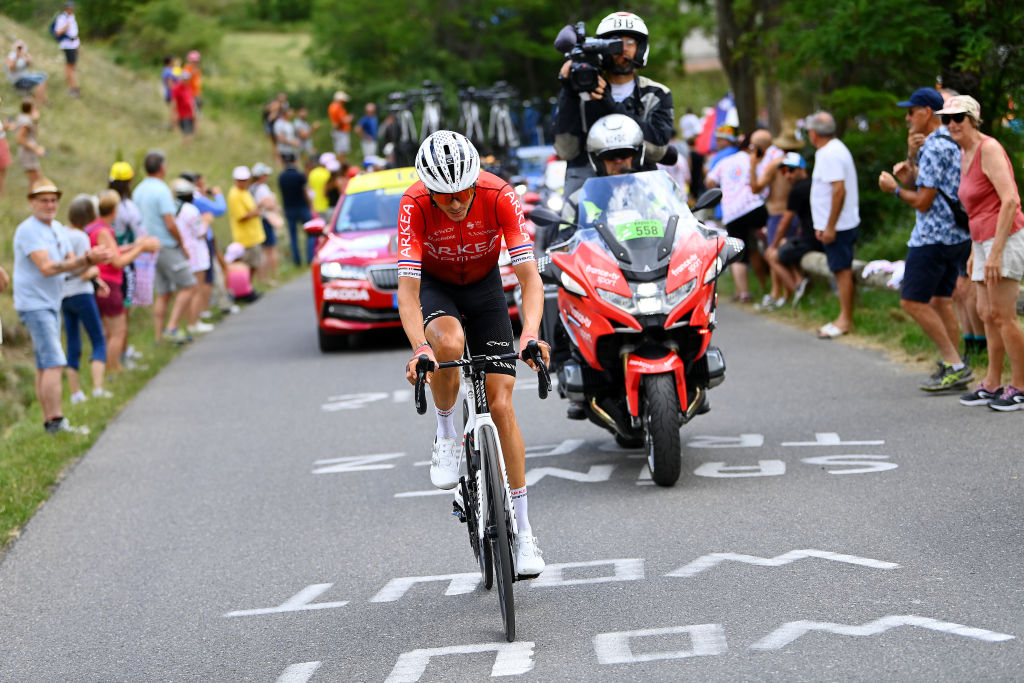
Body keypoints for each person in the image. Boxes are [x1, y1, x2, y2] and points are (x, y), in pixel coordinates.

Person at [397, 131, 549, 577]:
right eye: (445, 197)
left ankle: (523, 533)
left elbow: (529, 279)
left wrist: (531, 334)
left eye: (463, 192)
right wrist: (419, 348)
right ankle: (447, 434)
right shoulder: (414, 203)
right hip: (437, 286)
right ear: (429, 191)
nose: (457, 203)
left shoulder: (499, 194)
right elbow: (407, 294)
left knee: (502, 406)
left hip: (485, 291)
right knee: (447, 344)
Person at [877, 87, 972, 391]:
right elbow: (926, 185)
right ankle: (954, 365)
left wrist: (893, 188)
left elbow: (923, 201)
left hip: (932, 237)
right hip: (956, 236)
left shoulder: (934, 147)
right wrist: (910, 162)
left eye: (911, 111)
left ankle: (955, 364)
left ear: (927, 112)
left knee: (911, 301)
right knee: (941, 301)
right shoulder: (948, 142)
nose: (907, 118)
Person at [936, 96, 1024, 410]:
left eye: (958, 117)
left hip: (1005, 237)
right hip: (982, 240)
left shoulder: (989, 148)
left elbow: (1010, 201)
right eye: (946, 119)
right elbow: (976, 209)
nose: (952, 124)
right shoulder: (964, 153)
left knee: (1003, 315)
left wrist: (996, 253)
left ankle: (1021, 386)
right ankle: (992, 383)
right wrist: (976, 251)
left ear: (973, 119)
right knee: (986, 314)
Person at [13, 177, 111, 434]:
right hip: (35, 304)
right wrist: (88, 258)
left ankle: (50, 422)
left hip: (51, 301)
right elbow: (46, 267)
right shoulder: (29, 230)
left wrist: (95, 274)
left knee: (45, 363)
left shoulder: (57, 229)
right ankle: (55, 422)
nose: (49, 205)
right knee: (55, 361)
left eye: (53, 200)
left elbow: (73, 262)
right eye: (43, 200)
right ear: (32, 202)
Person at [553, 11, 673, 198]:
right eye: (615, 43)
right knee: (559, 226)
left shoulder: (656, 93)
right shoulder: (580, 89)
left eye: (630, 43)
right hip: (588, 193)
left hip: (642, 190)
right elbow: (565, 150)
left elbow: (657, 150)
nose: (623, 48)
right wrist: (568, 91)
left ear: (641, 48)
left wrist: (609, 104)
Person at [85, 190, 160, 373]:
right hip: (109, 283)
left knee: (108, 330)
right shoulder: (103, 230)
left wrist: (134, 246)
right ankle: (113, 368)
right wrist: (140, 248)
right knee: (118, 331)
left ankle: (110, 366)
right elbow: (117, 262)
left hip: (99, 283)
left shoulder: (95, 227)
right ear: (114, 210)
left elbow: (113, 251)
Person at [132, 150, 197, 343]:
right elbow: (169, 222)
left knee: (163, 292)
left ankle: (159, 337)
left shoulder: (139, 190)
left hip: (148, 248)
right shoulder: (161, 190)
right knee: (188, 284)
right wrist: (181, 243)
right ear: (162, 167)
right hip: (165, 245)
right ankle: (172, 328)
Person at [807, 111, 860, 338]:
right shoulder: (834, 149)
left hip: (838, 226)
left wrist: (829, 226)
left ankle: (845, 319)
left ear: (813, 133)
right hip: (839, 223)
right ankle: (844, 316)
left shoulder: (829, 153)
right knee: (841, 270)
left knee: (842, 270)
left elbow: (839, 190)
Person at [705, 131, 769, 305]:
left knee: (738, 253)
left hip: (732, 211)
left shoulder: (725, 162)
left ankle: (743, 293)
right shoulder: (754, 159)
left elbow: (709, 181)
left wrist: (723, 189)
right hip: (753, 206)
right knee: (758, 244)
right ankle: (766, 286)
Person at [61, 195, 111, 404]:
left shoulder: (61, 234)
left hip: (64, 295)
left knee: (73, 342)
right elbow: (82, 270)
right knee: (98, 338)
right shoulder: (80, 237)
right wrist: (94, 272)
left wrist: (96, 279)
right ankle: (98, 388)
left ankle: (75, 393)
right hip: (81, 292)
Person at [764, 152, 820, 306]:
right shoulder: (814, 183)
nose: (787, 175)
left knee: (771, 256)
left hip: (811, 240)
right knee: (784, 245)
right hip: (820, 237)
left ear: (802, 169)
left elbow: (785, 223)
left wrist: (772, 246)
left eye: (791, 170)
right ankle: (800, 283)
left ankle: (798, 289)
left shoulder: (797, 190)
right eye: (783, 171)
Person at [747, 129, 790, 309]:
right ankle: (785, 293)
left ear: (759, 147)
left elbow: (756, 187)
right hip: (788, 212)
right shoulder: (785, 159)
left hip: (777, 214)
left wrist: (752, 165)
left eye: (752, 146)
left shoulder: (771, 163)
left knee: (773, 254)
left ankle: (777, 293)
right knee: (781, 253)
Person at [170, 178, 214, 335]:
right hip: (196, 252)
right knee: (196, 289)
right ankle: (193, 322)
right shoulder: (191, 210)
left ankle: (190, 322)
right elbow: (200, 232)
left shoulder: (173, 209)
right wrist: (207, 221)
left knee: (188, 288)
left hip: (182, 252)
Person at [227, 165, 266, 284]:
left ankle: (248, 287)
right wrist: (257, 210)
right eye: (240, 180)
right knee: (249, 265)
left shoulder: (244, 192)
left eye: (245, 180)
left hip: (253, 234)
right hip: (246, 237)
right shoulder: (235, 195)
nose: (243, 182)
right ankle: (245, 288)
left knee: (254, 264)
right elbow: (241, 217)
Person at [278, 152, 313, 265]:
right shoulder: (299, 175)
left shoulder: (281, 177)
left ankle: (297, 261)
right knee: (310, 233)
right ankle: (310, 258)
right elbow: (305, 192)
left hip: (289, 209)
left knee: (293, 237)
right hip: (302, 207)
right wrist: (311, 205)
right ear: (295, 162)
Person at [249, 162, 282, 283]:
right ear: (261, 176)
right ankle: (271, 275)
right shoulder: (262, 188)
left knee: (264, 249)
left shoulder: (252, 188)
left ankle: (263, 277)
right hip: (265, 220)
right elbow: (269, 204)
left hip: (259, 220)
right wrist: (274, 203)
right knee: (269, 249)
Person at [6, 40, 48, 104]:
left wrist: (26, 55)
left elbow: (31, 64)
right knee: (40, 80)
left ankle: (43, 98)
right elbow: (12, 69)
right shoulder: (11, 56)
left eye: (21, 47)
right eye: (18, 47)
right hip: (17, 79)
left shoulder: (24, 55)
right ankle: (39, 101)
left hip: (25, 76)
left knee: (44, 75)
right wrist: (17, 57)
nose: (20, 49)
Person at [53, 2, 80, 97]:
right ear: (66, 9)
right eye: (71, 8)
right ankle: (71, 87)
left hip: (74, 44)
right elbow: (57, 32)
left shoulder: (72, 17)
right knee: (70, 67)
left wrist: (78, 46)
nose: (72, 10)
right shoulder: (62, 18)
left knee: (72, 66)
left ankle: (74, 86)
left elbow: (74, 33)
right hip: (67, 45)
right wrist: (66, 26)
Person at [15, 98, 44, 187]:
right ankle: (33, 199)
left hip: (28, 152)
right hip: (27, 152)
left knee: (37, 179)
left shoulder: (23, 117)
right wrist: (36, 149)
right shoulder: (26, 122)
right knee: (35, 181)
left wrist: (35, 120)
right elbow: (20, 138)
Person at [170, 71, 196, 145]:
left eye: (187, 79)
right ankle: (186, 147)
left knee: (189, 132)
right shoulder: (177, 88)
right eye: (184, 79)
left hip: (189, 113)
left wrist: (193, 111)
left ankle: (187, 146)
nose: (186, 81)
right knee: (186, 133)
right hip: (182, 114)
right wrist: (174, 115)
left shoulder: (188, 87)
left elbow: (191, 101)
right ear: (181, 79)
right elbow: (173, 103)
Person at [328, 90, 352, 161]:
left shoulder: (332, 106)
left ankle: (340, 165)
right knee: (341, 151)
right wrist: (348, 119)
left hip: (338, 131)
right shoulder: (337, 108)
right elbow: (341, 120)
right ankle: (341, 166)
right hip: (341, 131)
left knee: (339, 150)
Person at [161, 56, 179, 130]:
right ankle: (174, 127)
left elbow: (178, 76)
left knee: (174, 111)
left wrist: (177, 67)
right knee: (174, 111)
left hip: (172, 94)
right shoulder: (168, 71)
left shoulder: (169, 70)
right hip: (172, 94)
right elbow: (171, 84)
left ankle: (174, 126)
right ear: (169, 62)